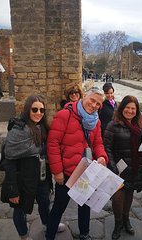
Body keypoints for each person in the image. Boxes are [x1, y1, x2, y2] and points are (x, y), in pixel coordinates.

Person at [46, 88, 108, 240]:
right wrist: (57, 171)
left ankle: (84, 234)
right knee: (59, 207)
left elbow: (98, 143)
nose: (94, 105)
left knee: (85, 205)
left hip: (86, 171)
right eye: (92, 100)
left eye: (98, 104)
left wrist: (101, 156)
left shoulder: (96, 121)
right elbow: (53, 143)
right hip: (67, 172)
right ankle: (49, 235)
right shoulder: (65, 115)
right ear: (84, 96)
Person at [1, 95, 65, 240]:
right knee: (20, 210)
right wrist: (12, 190)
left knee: (45, 203)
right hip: (21, 180)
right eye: (34, 109)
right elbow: (9, 162)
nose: (38, 113)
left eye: (41, 110)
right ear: (27, 110)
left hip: (41, 177)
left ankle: (48, 224)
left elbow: (47, 155)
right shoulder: (18, 131)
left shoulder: (43, 129)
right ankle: (24, 236)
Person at [103, 95, 142, 240]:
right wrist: (113, 167)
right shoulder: (113, 125)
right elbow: (107, 147)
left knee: (129, 195)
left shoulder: (140, 126)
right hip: (118, 169)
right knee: (117, 198)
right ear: (122, 108)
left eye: (133, 108)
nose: (130, 111)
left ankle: (126, 219)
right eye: (127, 107)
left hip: (134, 168)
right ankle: (118, 223)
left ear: (137, 110)